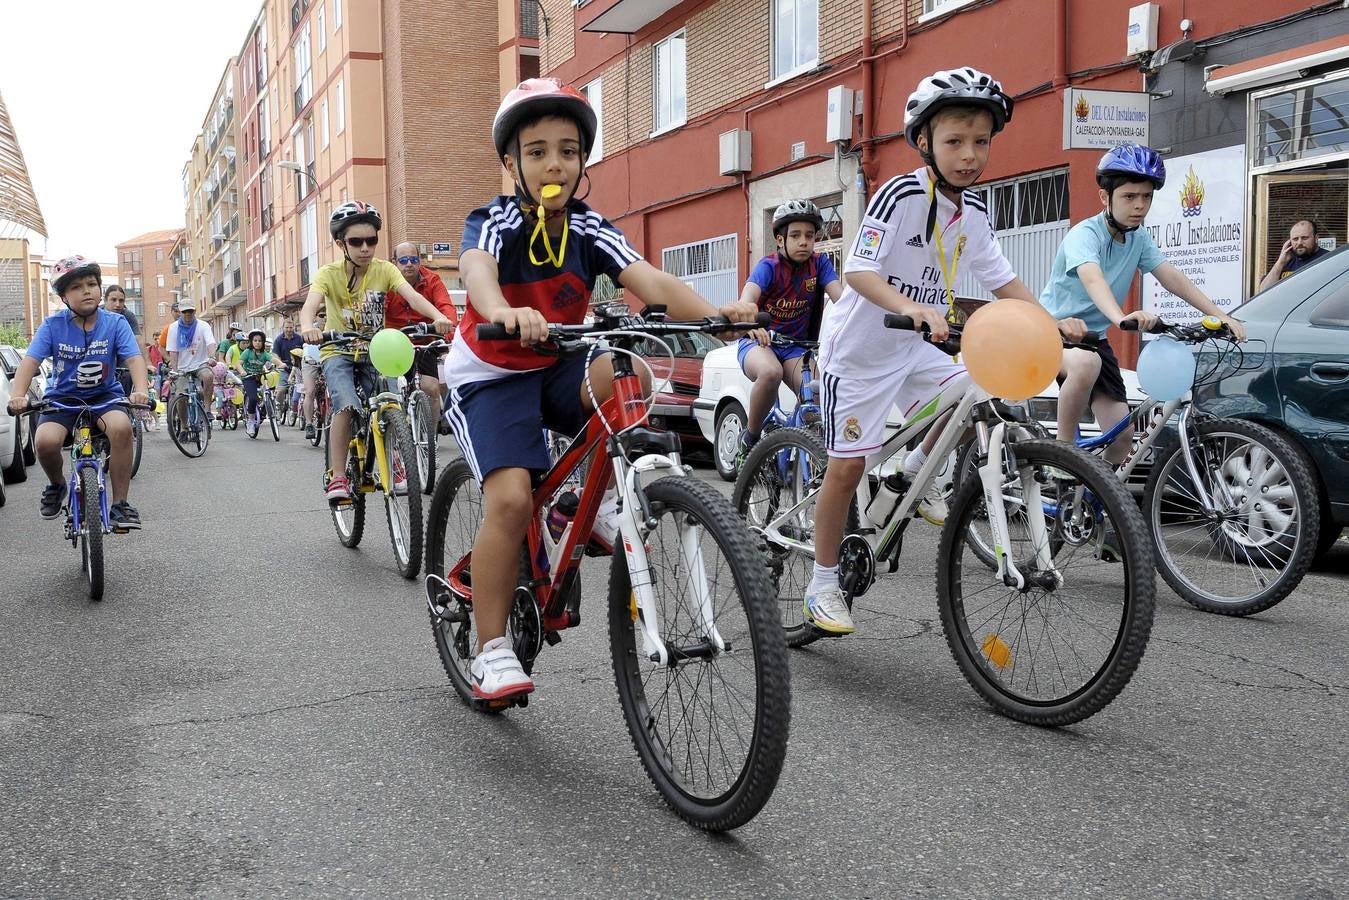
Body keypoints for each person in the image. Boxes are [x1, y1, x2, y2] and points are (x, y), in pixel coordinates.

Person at [441, 77, 757, 701]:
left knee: (630, 375)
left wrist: (718, 320)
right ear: (512, 163)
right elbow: (477, 271)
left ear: (583, 159)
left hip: (558, 361)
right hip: (493, 373)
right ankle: (491, 649)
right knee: (508, 502)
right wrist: (503, 308)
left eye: (567, 149)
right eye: (536, 152)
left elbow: (647, 278)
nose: (553, 163)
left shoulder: (588, 226)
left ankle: (587, 503)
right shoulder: (494, 219)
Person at [803, 67, 1087, 637]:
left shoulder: (974, 214)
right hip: (860, 351)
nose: (970, 155)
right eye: (955, 141)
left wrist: (1049, 323)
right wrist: (910, 307)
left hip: (920, 344)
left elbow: (1004, 282)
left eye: (981, 141)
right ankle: (823, 581)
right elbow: (858, 268)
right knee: (847, 463)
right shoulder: (901, 194)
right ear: (925, 141)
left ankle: (910, 474)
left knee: (973, 389)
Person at [1041, 144, 1246, 465]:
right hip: (1053, 333)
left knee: (1123, 436)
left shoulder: (1138, 238)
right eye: (1129, 196)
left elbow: (1172, 277)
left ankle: (1092, 502)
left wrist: (1219, 315)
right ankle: (1062, 455)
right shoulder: (1085, 235)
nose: (1139, 206)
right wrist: (1121, 318)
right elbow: (1093, 278)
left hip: (1095, 339)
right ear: (1104, 198)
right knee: (1084, 364)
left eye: (1147, 197)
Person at [298, 202, 453, 501]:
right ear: (341, 243)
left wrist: (437, 317)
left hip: (376, 349)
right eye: (357, 241)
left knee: (390, 401)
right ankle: (339, 476)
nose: (365, 248)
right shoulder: (328, 274)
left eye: (372, 240)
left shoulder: (385, 270)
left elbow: (412, 296)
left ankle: (395, 460)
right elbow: (309, 306)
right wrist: (308, 327)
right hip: (338, 350)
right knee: (345, 403)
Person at [5, 256, 148, 528]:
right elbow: (29, 363)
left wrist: (140, 391)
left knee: (121, 429)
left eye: (92, 284)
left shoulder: (115, 323)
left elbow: (134, 359)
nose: (87, 290)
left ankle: (120, 505)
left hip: (105, 398)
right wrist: (18, 395)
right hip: (63, 400)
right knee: (45, 442)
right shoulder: (52, 326)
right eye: (76, 286)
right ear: (63, 296)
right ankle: (57, 485)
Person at [736, 199, 843, 460]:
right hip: (759, 342)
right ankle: (749, 439)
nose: (804, 242)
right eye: (795, 235)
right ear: (780, 240)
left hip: (796, 347)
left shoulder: (819, 265)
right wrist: (751, 322)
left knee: (819, 392)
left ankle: (801, 449)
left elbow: (843, 300)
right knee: (770, 373)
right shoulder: (768, 266)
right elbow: (747, 298)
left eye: (809, 235)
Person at [389, 242, 459, 429]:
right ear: (394, 262)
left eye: (413, 259)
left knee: (431, 388)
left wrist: (447, 327)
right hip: (393, 343)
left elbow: (445, 306)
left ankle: (430, 438)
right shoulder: (387, 279)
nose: (409, 264)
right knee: (391, 390)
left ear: (419, 261)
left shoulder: (432, 279)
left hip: (425, 341)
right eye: (403, 260)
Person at [165, 299, 218, 431]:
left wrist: (212, 357)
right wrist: (175, 371)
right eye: (185, 312)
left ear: (194, 311)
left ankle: (206, 410)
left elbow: (211, 343)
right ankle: (184, 426)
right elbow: (173, 351)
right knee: (180, 395)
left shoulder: (203, 325)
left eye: (190, 311)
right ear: (180, 313)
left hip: (200, 363)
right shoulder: (173, 328)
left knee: (208, 376)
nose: (188, 314)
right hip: (182, 368)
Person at [1257, 219, 1330, 291]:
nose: (1299, 243)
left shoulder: (1328, 259)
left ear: (1316, 238)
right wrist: (1280, 262)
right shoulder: (1286, 260)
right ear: (1289, 241)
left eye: (1304, 238)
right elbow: (1264, 290)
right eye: (1295, 239)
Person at [235, 328, 283, 436]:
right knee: (253, 398)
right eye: (255, 340)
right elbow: (238, 363)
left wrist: (281, 365)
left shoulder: (264, 354)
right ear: (251, 341)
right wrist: (242, 372)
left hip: (260, 377)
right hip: (249, 378)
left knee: (269, 392)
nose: (257, 343)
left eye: (260, 341)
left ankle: (267, 409)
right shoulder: (247, 352)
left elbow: (274, 361)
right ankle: (251, 421)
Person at [270, 319, 305, 416]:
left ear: (294, 327)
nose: (289, 330)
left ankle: (299, 410)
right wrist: (281, 364)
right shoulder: (278, 340)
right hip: (284, 368)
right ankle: (278, 408)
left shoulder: (300, 338)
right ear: (283, 328)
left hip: (299, 368)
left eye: (291, 327)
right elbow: (275, 355)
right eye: (287, 327)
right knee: (281, 390)